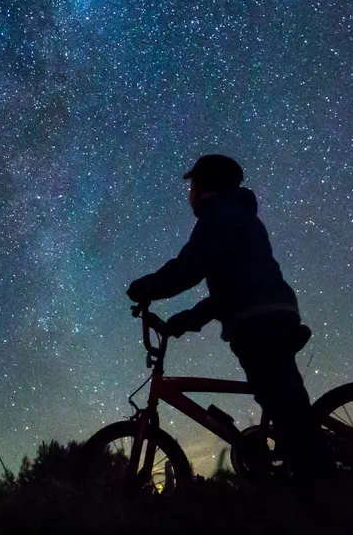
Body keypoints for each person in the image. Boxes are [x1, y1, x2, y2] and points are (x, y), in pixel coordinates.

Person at [126, 154, 325, 478]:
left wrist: (147, 288)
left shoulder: (220, 214)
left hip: (258, 318)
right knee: (281, 398)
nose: (189, 192)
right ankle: (308, 475)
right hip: (264, 310)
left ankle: (321, 488)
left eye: (192, 185)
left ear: (205, 185)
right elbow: (226, 294)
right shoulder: (236, 215)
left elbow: (191, 266)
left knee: (286, 409)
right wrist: (184, 321)